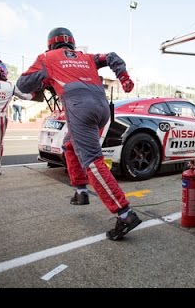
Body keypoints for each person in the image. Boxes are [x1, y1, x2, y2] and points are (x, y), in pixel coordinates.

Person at [16, 27, 142, 241]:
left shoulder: (47, 58)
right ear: (71, 43)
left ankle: (125, 213)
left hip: (78, 108)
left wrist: (45, 79)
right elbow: (112, 57)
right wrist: (124, 77)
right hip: (102, 109)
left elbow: (22, 84)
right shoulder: (87, 57)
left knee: (92, 161)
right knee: (69, 144)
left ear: (50, 44)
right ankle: (81, 191)